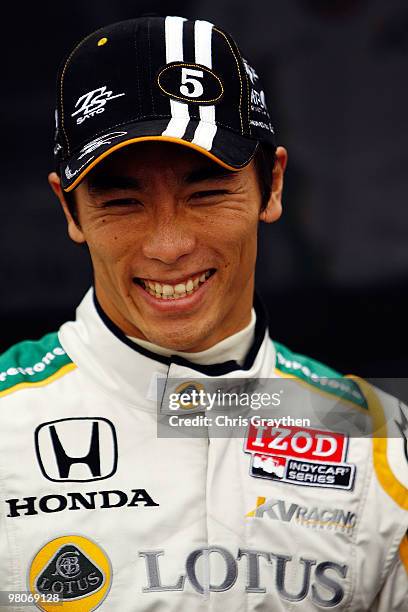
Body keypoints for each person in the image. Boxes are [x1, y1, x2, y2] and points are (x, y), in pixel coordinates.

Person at [0, 15, 407, 612]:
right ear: (71, 209)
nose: (168, 246)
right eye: (121, 201)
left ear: (272, 186)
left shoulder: (381, 440)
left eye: (207, 192)